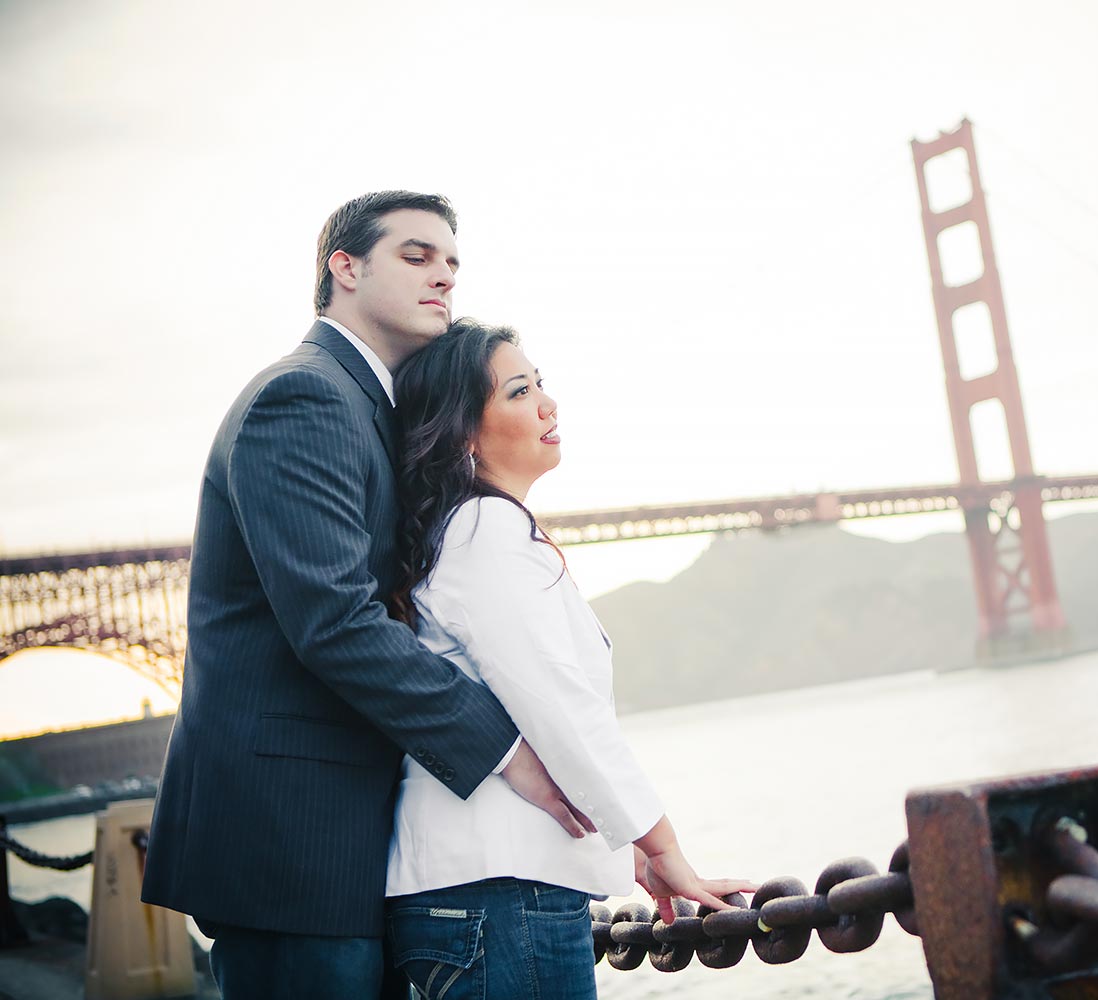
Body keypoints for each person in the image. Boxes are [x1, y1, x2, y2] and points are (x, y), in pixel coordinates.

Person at [141, 192, 586, 999]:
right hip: (291, 836)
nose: (443, 277)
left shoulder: (367, 405)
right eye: (416, 257)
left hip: (344, 836)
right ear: (343, 268)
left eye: (452, 263)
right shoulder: (304, 398)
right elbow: (336, 622)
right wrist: (510, 753)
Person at [384, 319, 755, 999]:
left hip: (480, 892)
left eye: (541, 386)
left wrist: (635, 854)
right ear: (465, 432)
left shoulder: (470, 531)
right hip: (499, 894)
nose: (548, 405)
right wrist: (662, 847)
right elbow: (559, 708)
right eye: (520, 392)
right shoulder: (483, 532)